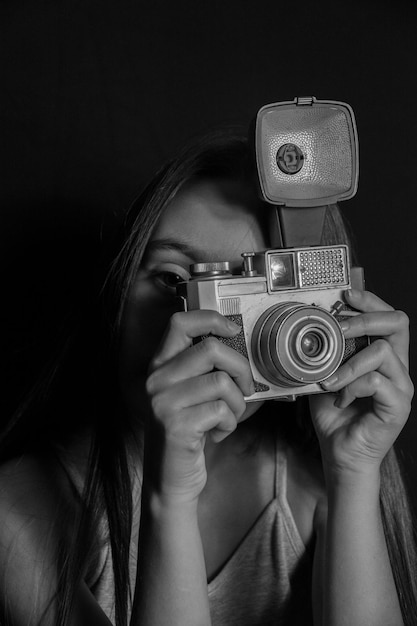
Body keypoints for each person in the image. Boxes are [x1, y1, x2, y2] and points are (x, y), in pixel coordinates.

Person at [0, 129, 416, 626]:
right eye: (172, 279)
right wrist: (169, 499)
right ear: (115, 288)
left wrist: (354, 471)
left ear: (314, 315)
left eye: (243, 295)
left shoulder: (315, 487)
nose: (191, 325)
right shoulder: (18, 509)